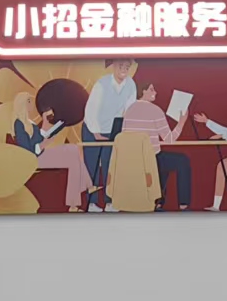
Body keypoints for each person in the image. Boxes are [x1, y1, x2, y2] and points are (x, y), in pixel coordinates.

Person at [12, 89, 92, 212]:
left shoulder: (30, 122)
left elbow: (39, 138)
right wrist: (43, 144)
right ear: (22, 104)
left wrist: (46, 127)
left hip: (41, 153)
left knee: (73, 149)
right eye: (29, 101)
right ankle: (76, 200)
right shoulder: (19, 124)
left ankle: (84, 187)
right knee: (73, 160)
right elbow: (27, 149)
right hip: (34, 159)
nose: (32, 104)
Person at [118, 82, 193, 210]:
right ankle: (183, 205)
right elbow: (169, 139)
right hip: (151, 160)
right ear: (143, 91)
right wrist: (181, 122)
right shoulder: (155, 110)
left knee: (163, 163)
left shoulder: (129, 111)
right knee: (182, 161)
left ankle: (158, 202)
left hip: (134, 161)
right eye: (152, 89)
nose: (155, 92)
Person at [81, 59, 136, 213]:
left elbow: (129, 110)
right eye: (121, 66)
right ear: (114, 67)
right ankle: (91, 203)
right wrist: (96, 133)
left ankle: (109, 201)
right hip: (92, 129)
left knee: (110, 166)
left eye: (127, 67)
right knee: (92, 166)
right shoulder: (102, 84)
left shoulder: (131, 85)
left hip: (112, 129)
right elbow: (91, 111)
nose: (124, 69)